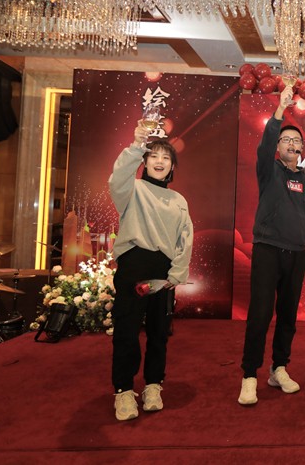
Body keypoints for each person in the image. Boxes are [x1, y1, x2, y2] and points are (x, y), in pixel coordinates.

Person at [239, 86, 305, 406]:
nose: (291, 144)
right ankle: (249, 375)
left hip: (296, 255)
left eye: (295, 140)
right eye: (285, 139)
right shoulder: (268, 169)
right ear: (278, 146)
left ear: (301, 148)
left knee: (288, 316)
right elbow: (264, 145)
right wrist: (280, 111)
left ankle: (279, 368)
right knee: (260, 314)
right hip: (267, 250)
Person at [108, 126, 193, 421]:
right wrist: (136, 145)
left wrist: (176, 274)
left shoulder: (179, 200)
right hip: (134, 265)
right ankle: (123, 391)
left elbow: (185, 239)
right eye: (153, 156)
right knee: (127, 330)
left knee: (159, 333)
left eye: (166, 158)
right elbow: (118, 177)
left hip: (164, 272)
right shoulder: (132, 189)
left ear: (172, 166)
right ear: (144, 162)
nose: (160, 161)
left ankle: (153, 385)